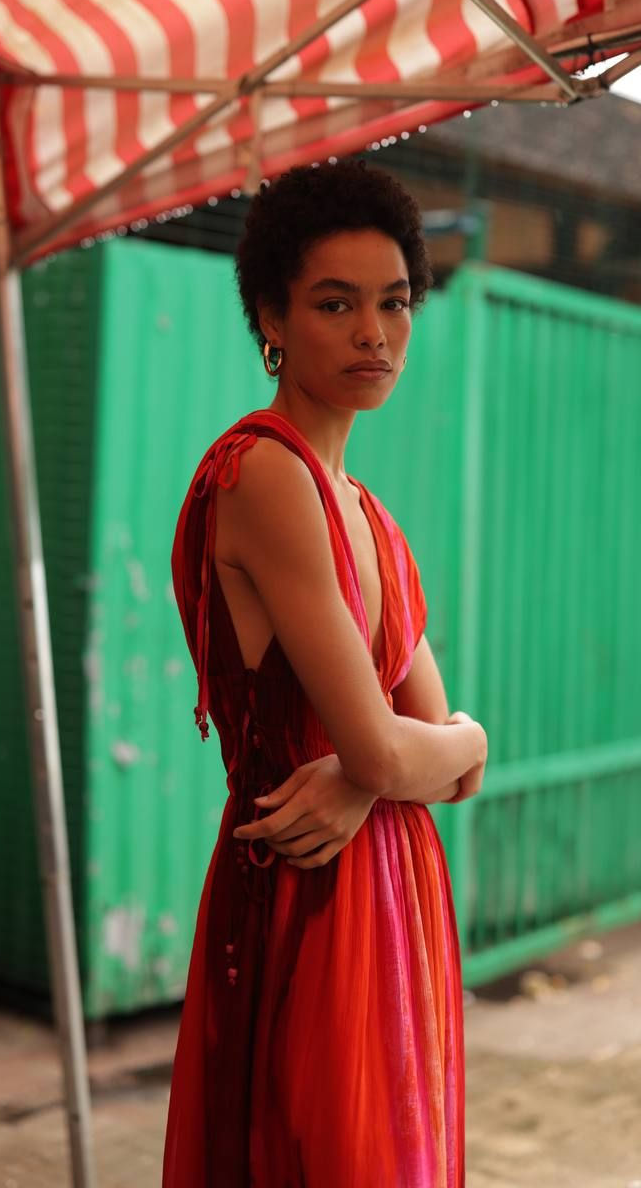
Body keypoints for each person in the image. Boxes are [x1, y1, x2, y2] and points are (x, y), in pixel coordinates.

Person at [163, 159, 487, 1188]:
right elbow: (403, 748)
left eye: (394, 302)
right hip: (306, 902)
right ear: (272, 316)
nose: (373, 335)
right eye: (335, 304)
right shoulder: (263, 473)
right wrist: (425, 751)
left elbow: (436, 758)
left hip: (391, 895)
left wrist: (415, 757)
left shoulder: (371, 516)